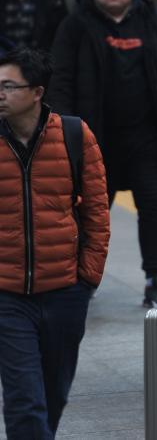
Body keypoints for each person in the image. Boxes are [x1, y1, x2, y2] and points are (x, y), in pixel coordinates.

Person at [47, 0, 157, 307]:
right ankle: (84, 277)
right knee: (91, 211)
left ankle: (155, 278)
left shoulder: (152, 22)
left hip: (147, 137)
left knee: (153, 205)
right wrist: (66, 125)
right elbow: (60, 77)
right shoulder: (76, 25)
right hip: (95, 139)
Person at [0, 47, 109, 438]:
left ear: (37, 92)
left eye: (8, 86)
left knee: (53, 394)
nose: (0, 94)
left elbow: (97, 212)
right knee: (25, 400)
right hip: (7, 295)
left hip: (65, 291)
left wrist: (87, 279)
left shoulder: (74, 135)